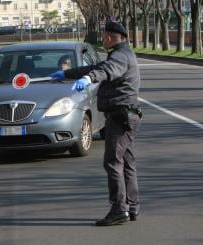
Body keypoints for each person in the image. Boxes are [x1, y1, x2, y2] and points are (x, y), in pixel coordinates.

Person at [50, 21, 142, 226]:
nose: (103, 39)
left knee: (112, 163)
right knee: (127, 163)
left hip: (121, 116)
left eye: (104, 35)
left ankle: (119, 209)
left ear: (110, 37)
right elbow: (96, 67)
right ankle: (132, 206)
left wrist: (89, 79)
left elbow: (106, 70)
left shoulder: (120, 57)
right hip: (126, 116)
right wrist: (67, 74)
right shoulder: (123, 53)